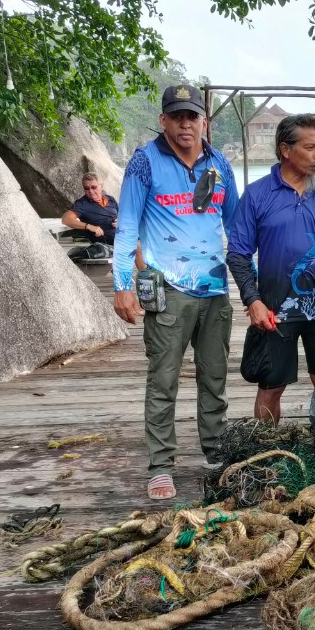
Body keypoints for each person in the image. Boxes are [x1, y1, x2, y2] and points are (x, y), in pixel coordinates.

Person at [112, 84, 239, 500]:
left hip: (216, 287)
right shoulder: (145, 163)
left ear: (204, 122)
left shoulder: (220, 163)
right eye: (177, 116)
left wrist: (253, 284)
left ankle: (217, 451)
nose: (186, 124)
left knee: (215, 377)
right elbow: (127, 225)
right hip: (167, 289)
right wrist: (122, 285)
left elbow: (237, 227)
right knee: (163, 378)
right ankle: (160, 465)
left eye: (193, 117)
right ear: (163, 120)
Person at [227, 114, 315, 423]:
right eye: (310, 147)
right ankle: (264, 450)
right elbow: (238, 253)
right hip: (275, 311)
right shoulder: (257, 194)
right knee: (271, 387)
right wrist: (253, 300)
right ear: (285, 150)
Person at [62, 172, 118, 245]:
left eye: (94, 187)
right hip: (105, 240)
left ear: (101, 186)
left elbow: (123, 216)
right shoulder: (82, 204)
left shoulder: (110, 199)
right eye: (87, 188)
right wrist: (89, 226)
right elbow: (66, 219)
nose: (91, 191)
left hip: (121, 234)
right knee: (137, 245)